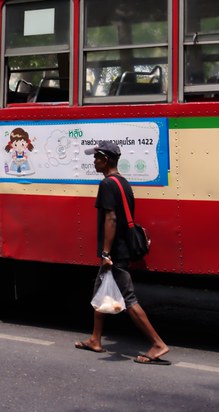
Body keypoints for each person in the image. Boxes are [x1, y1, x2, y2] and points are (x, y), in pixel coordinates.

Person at [74, 140, 171, 365]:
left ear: (106, 160)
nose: (94, 161)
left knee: (128, 299)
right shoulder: (123, 183)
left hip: (115, 252)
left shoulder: (108, 184)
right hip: (121, 248)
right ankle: (96, 339)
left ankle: (158, 344)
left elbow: (111, 218)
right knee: (99, 290)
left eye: (96, 157)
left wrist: (106, 253)